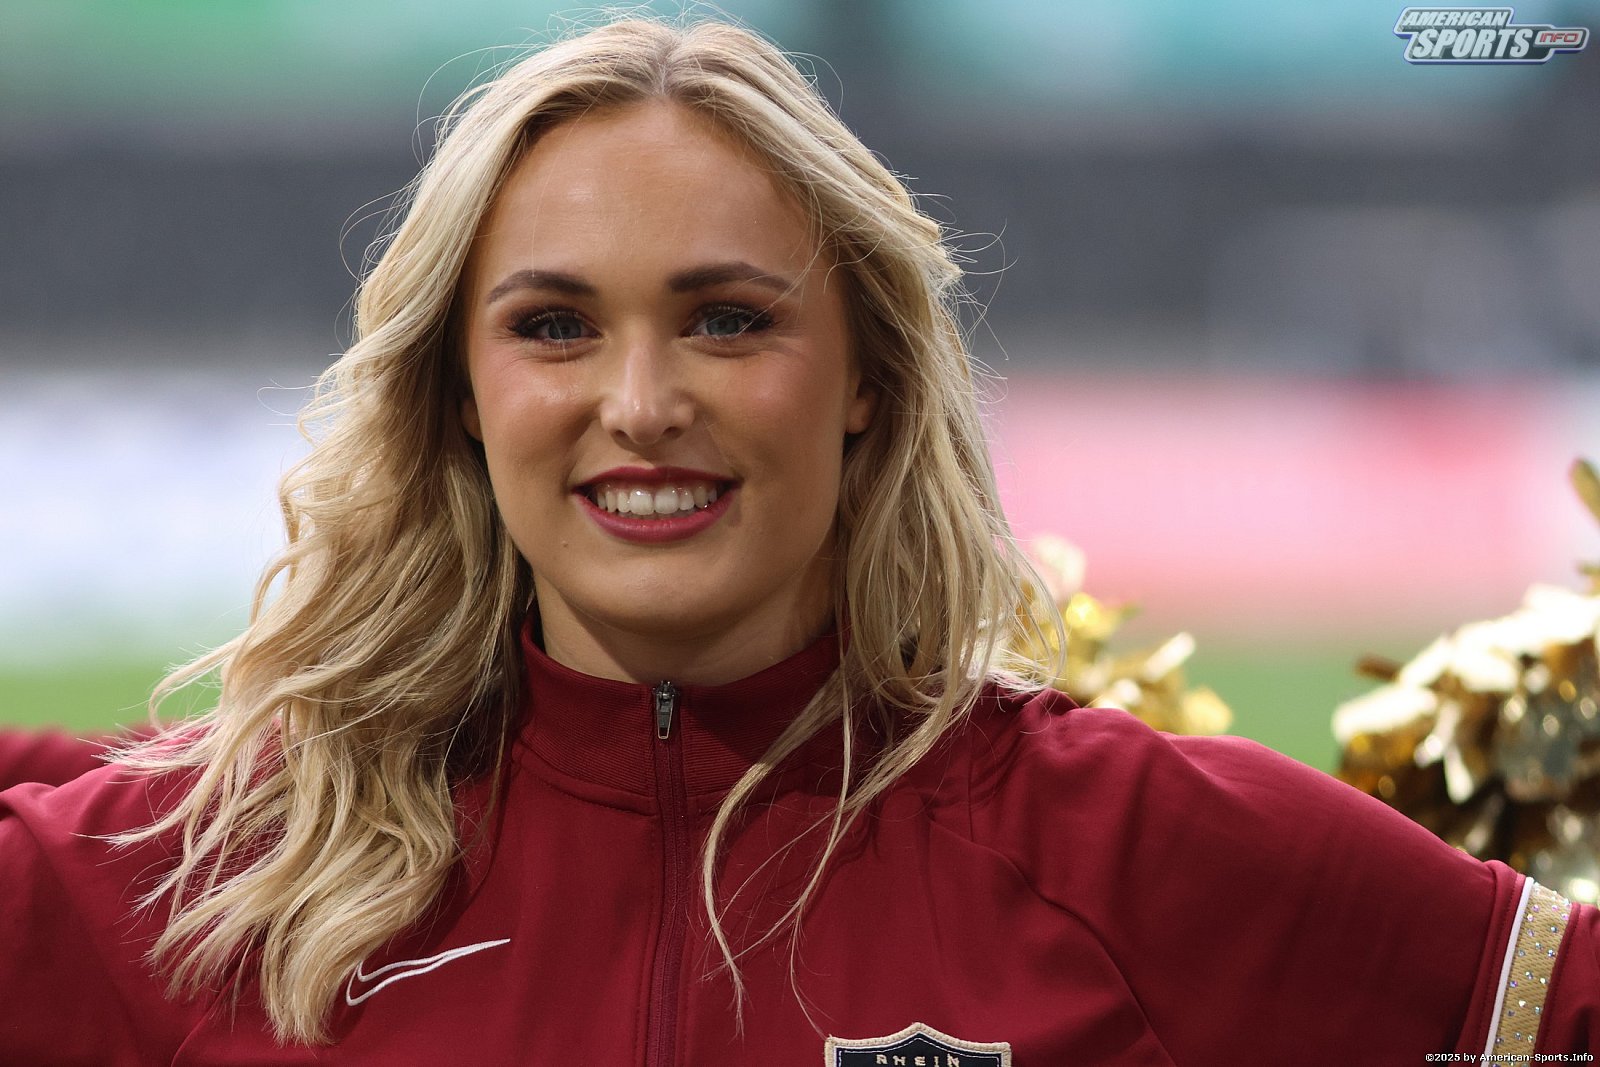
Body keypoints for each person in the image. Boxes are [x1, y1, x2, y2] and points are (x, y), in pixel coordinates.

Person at [0, 16, 1595, 1066]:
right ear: (461, 398)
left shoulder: (1129, 856)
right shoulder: (216, 881)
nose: (642, 404)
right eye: (554, 326)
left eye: (727, 320)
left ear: (864, 377)